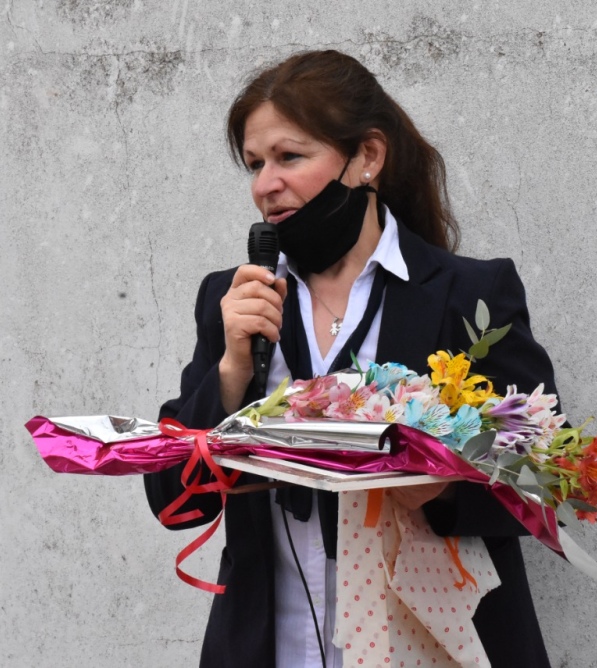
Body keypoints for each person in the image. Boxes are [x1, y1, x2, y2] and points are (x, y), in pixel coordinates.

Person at [144, 50, 560, 668]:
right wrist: (230, 370)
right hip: (274, 644)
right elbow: (175, 499)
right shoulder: (231, 300)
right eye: (255, 164)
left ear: (367, 156)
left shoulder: (469, 293)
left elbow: (544, 478)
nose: (265, 184)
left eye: (289, 157)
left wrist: (442, 487)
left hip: (434, 644)